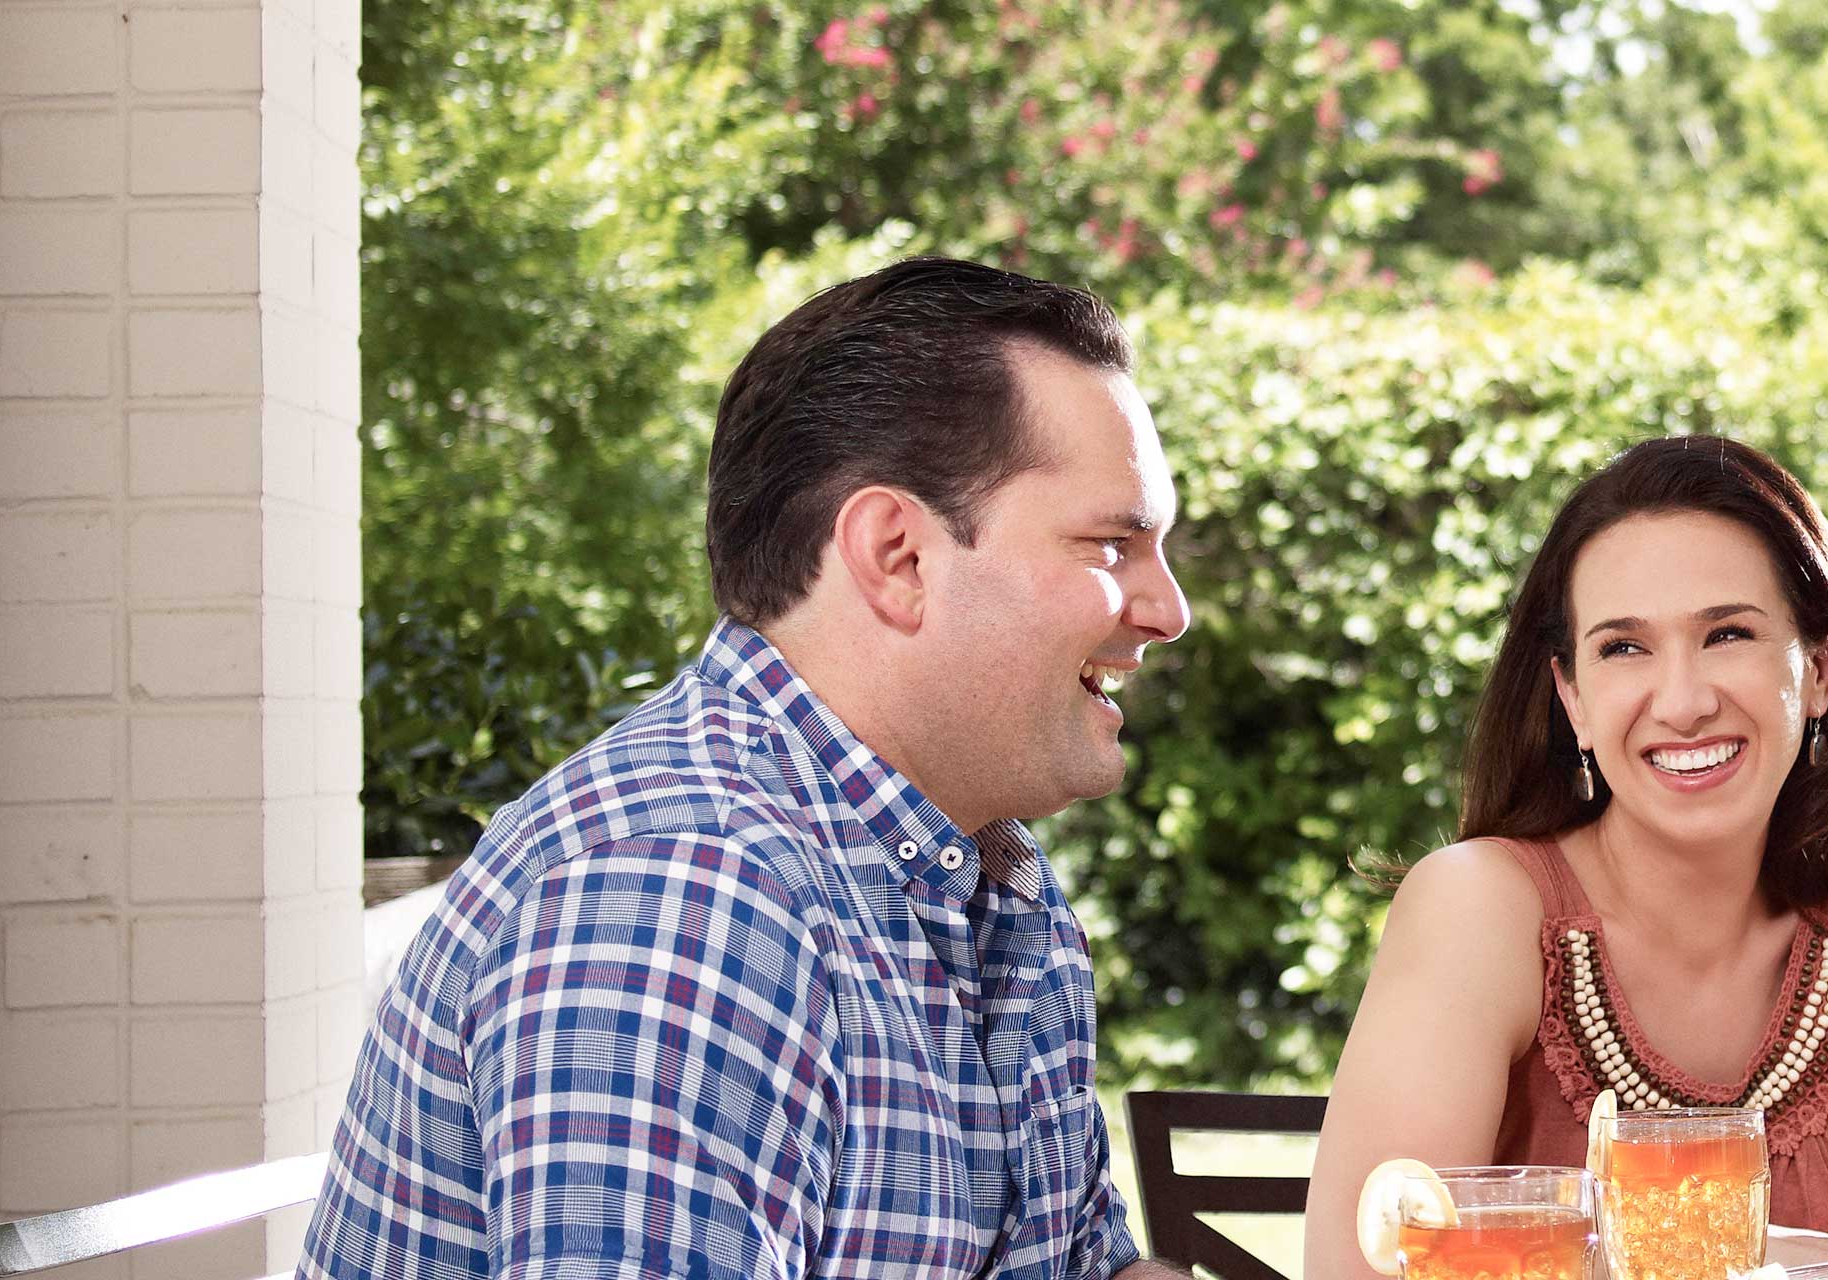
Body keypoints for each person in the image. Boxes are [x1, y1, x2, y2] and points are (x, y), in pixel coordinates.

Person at [298, 258, 1190, 1280]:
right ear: (899, 555)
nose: (1169, 609)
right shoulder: (679, 892)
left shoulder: (985, 874)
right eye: (1113, 543)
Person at [1303, 435, 1828, 1280]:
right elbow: (1366, 1269)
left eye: (1728, 634)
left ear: (1820, 668)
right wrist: (1813, 1262)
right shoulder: (1480, 906)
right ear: (1573, 697)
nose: (1682, 703)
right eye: (1624, 648)